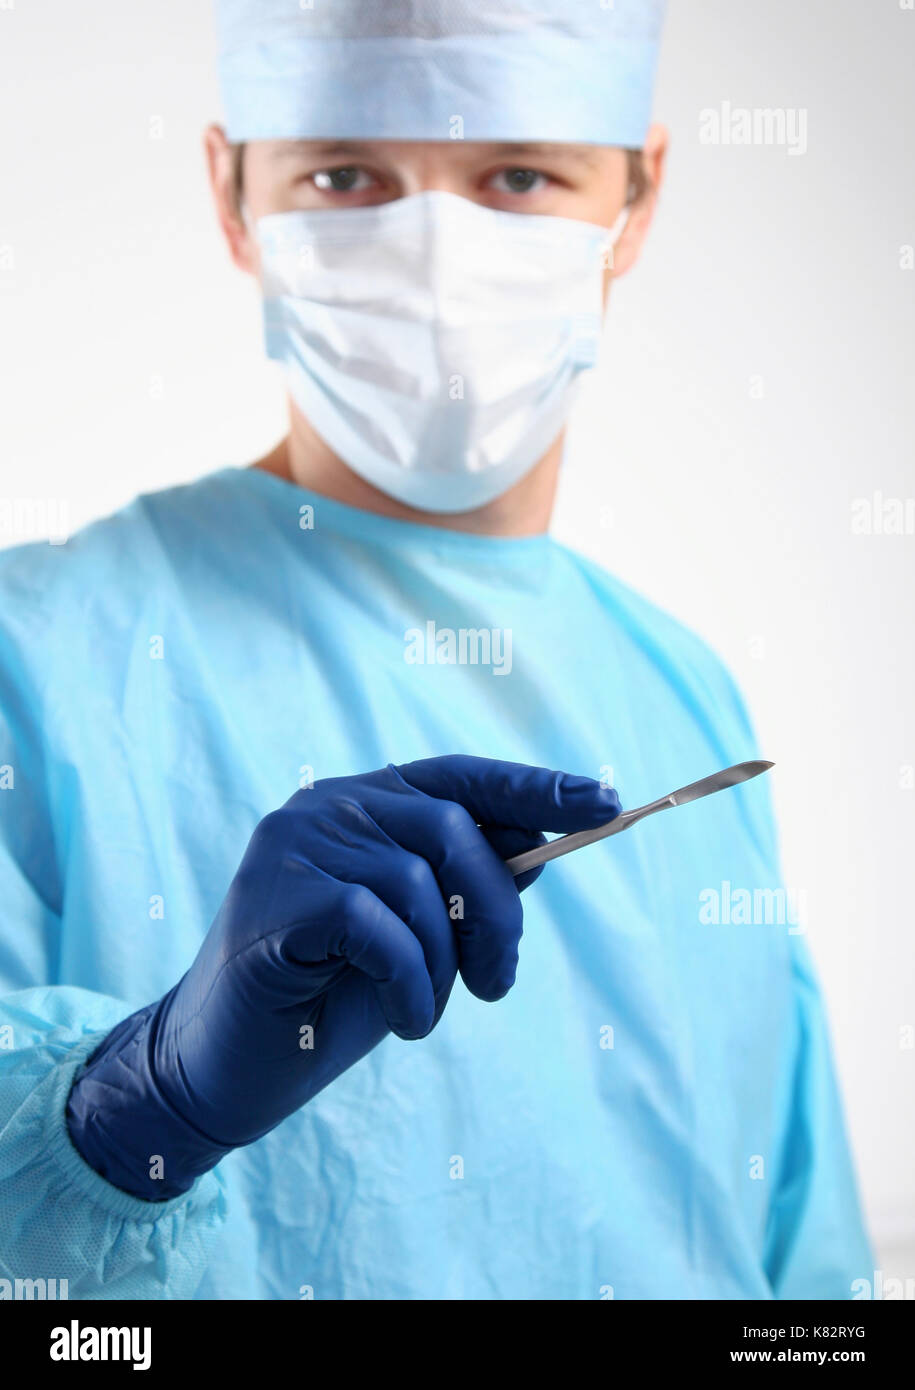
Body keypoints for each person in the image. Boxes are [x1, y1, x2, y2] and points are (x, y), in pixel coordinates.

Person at [0, 0, 871, 1300]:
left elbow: (799, 1277)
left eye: (519, 174)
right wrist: (146, 1100)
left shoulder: (685, 696)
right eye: (345, 177)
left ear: (638, 193)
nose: (436, 261)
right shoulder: (38, 659)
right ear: (232, 190)